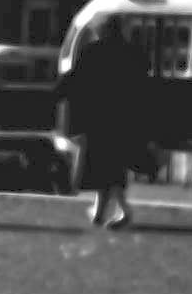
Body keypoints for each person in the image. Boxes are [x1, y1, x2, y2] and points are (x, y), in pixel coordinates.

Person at [55, 16, 150, 229]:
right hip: (124, 120)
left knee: (104, 169)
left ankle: (121, 211)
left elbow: (76, 78)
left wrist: (57, 93)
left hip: (98, 119)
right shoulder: (132, 52)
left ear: (103, 31)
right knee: (113, 167)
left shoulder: (93, 51)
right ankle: (102, 212)